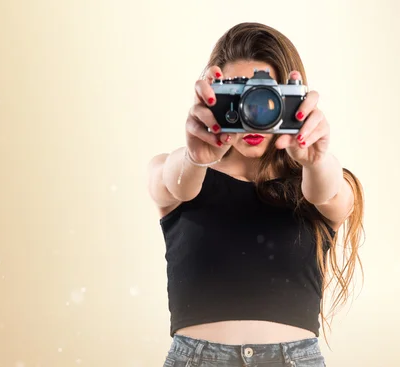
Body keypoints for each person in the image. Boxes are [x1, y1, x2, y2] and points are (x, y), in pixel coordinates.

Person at [148, 22, 364, 367]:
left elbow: (329, 192)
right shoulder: (180, 171)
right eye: (240, 97)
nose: (254, 117)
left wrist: (316, 158)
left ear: (294, 102)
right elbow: (173, 182)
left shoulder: (321, 178)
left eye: (267, 101)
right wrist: (195, 156)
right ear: (213, 98)